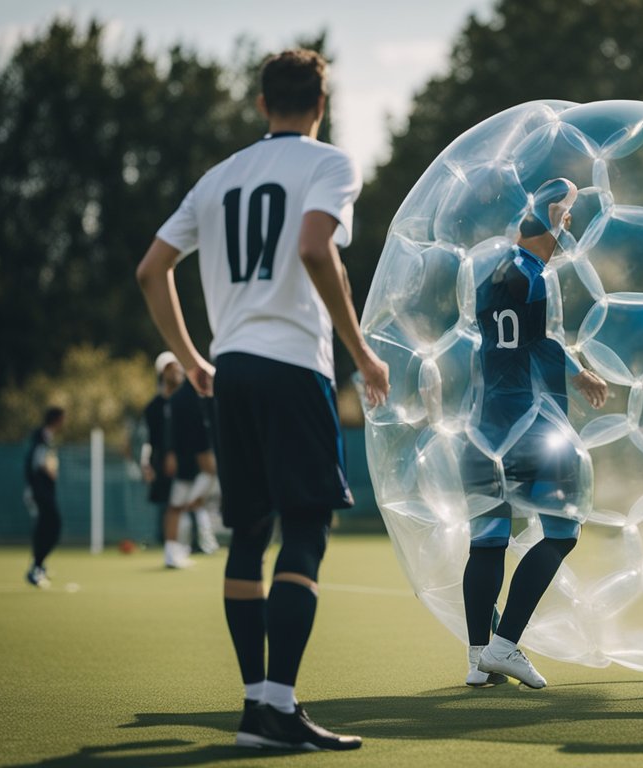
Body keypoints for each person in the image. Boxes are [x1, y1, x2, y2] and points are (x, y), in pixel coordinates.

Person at [136, 49, 390, 751]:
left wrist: (192, 360)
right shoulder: (330, 163)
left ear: (259, 104)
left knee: (248, 534)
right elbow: (315, 248)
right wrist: (362, 351)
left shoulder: (217, 178)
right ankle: (279, 704)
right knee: (306, 528)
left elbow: (151, 269)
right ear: (321, 104)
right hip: (291, 369)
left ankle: (256, 708)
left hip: (234, 370)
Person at [461, 178, 608, 690]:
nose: (569, 222)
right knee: (564, 532)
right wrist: (582, 372)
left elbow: (500, 343)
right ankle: (505, 646)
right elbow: (543, 344)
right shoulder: (539, 277)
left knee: (487, 541)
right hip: (532, 426)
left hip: (482, 429)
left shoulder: (490, 275)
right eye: (564, 215)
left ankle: (478, 657)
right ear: (548, 220)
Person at [165, 370, 221, 567]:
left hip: (190, 457)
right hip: (189, 458)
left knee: (182, 506)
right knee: (178, 506)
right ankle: (173, 552)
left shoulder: (192, 396)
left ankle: (176, 550)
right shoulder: (189, 397)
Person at [23, 406, 66, 588]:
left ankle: (38, 565)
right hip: (39, 490)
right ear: (56, 419)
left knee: (46, 526)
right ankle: (36, 565)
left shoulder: (47, 437)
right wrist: (49, 471)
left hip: (44, 490)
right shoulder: (41, 437)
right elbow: (37, 462)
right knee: (52, 525)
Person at [141, 352, 180, 549]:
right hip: (162, 462)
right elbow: (149, 439)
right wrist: (146, 462)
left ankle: (196, 542)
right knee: (166, 503)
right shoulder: (153, 407)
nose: (175, 372)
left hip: (187, 461)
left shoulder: (187, 401)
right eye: (169, 369)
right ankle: (165, 542)